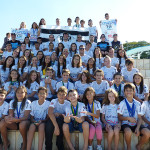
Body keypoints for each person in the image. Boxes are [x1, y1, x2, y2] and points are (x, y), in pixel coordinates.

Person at [117, 83, 148, 150]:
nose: (129, 92)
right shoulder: (122, 103)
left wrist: (138, 127)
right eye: (127, 90)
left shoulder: (138, 103)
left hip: (136, 124)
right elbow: (119, 117)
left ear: (134, 92)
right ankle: (129, 147)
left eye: (130, 90)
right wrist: (128, 118)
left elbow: (140, 118)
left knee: (147, 133)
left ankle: (139, 145)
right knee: (128, 132)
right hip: (126, 124)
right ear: (124, 92)